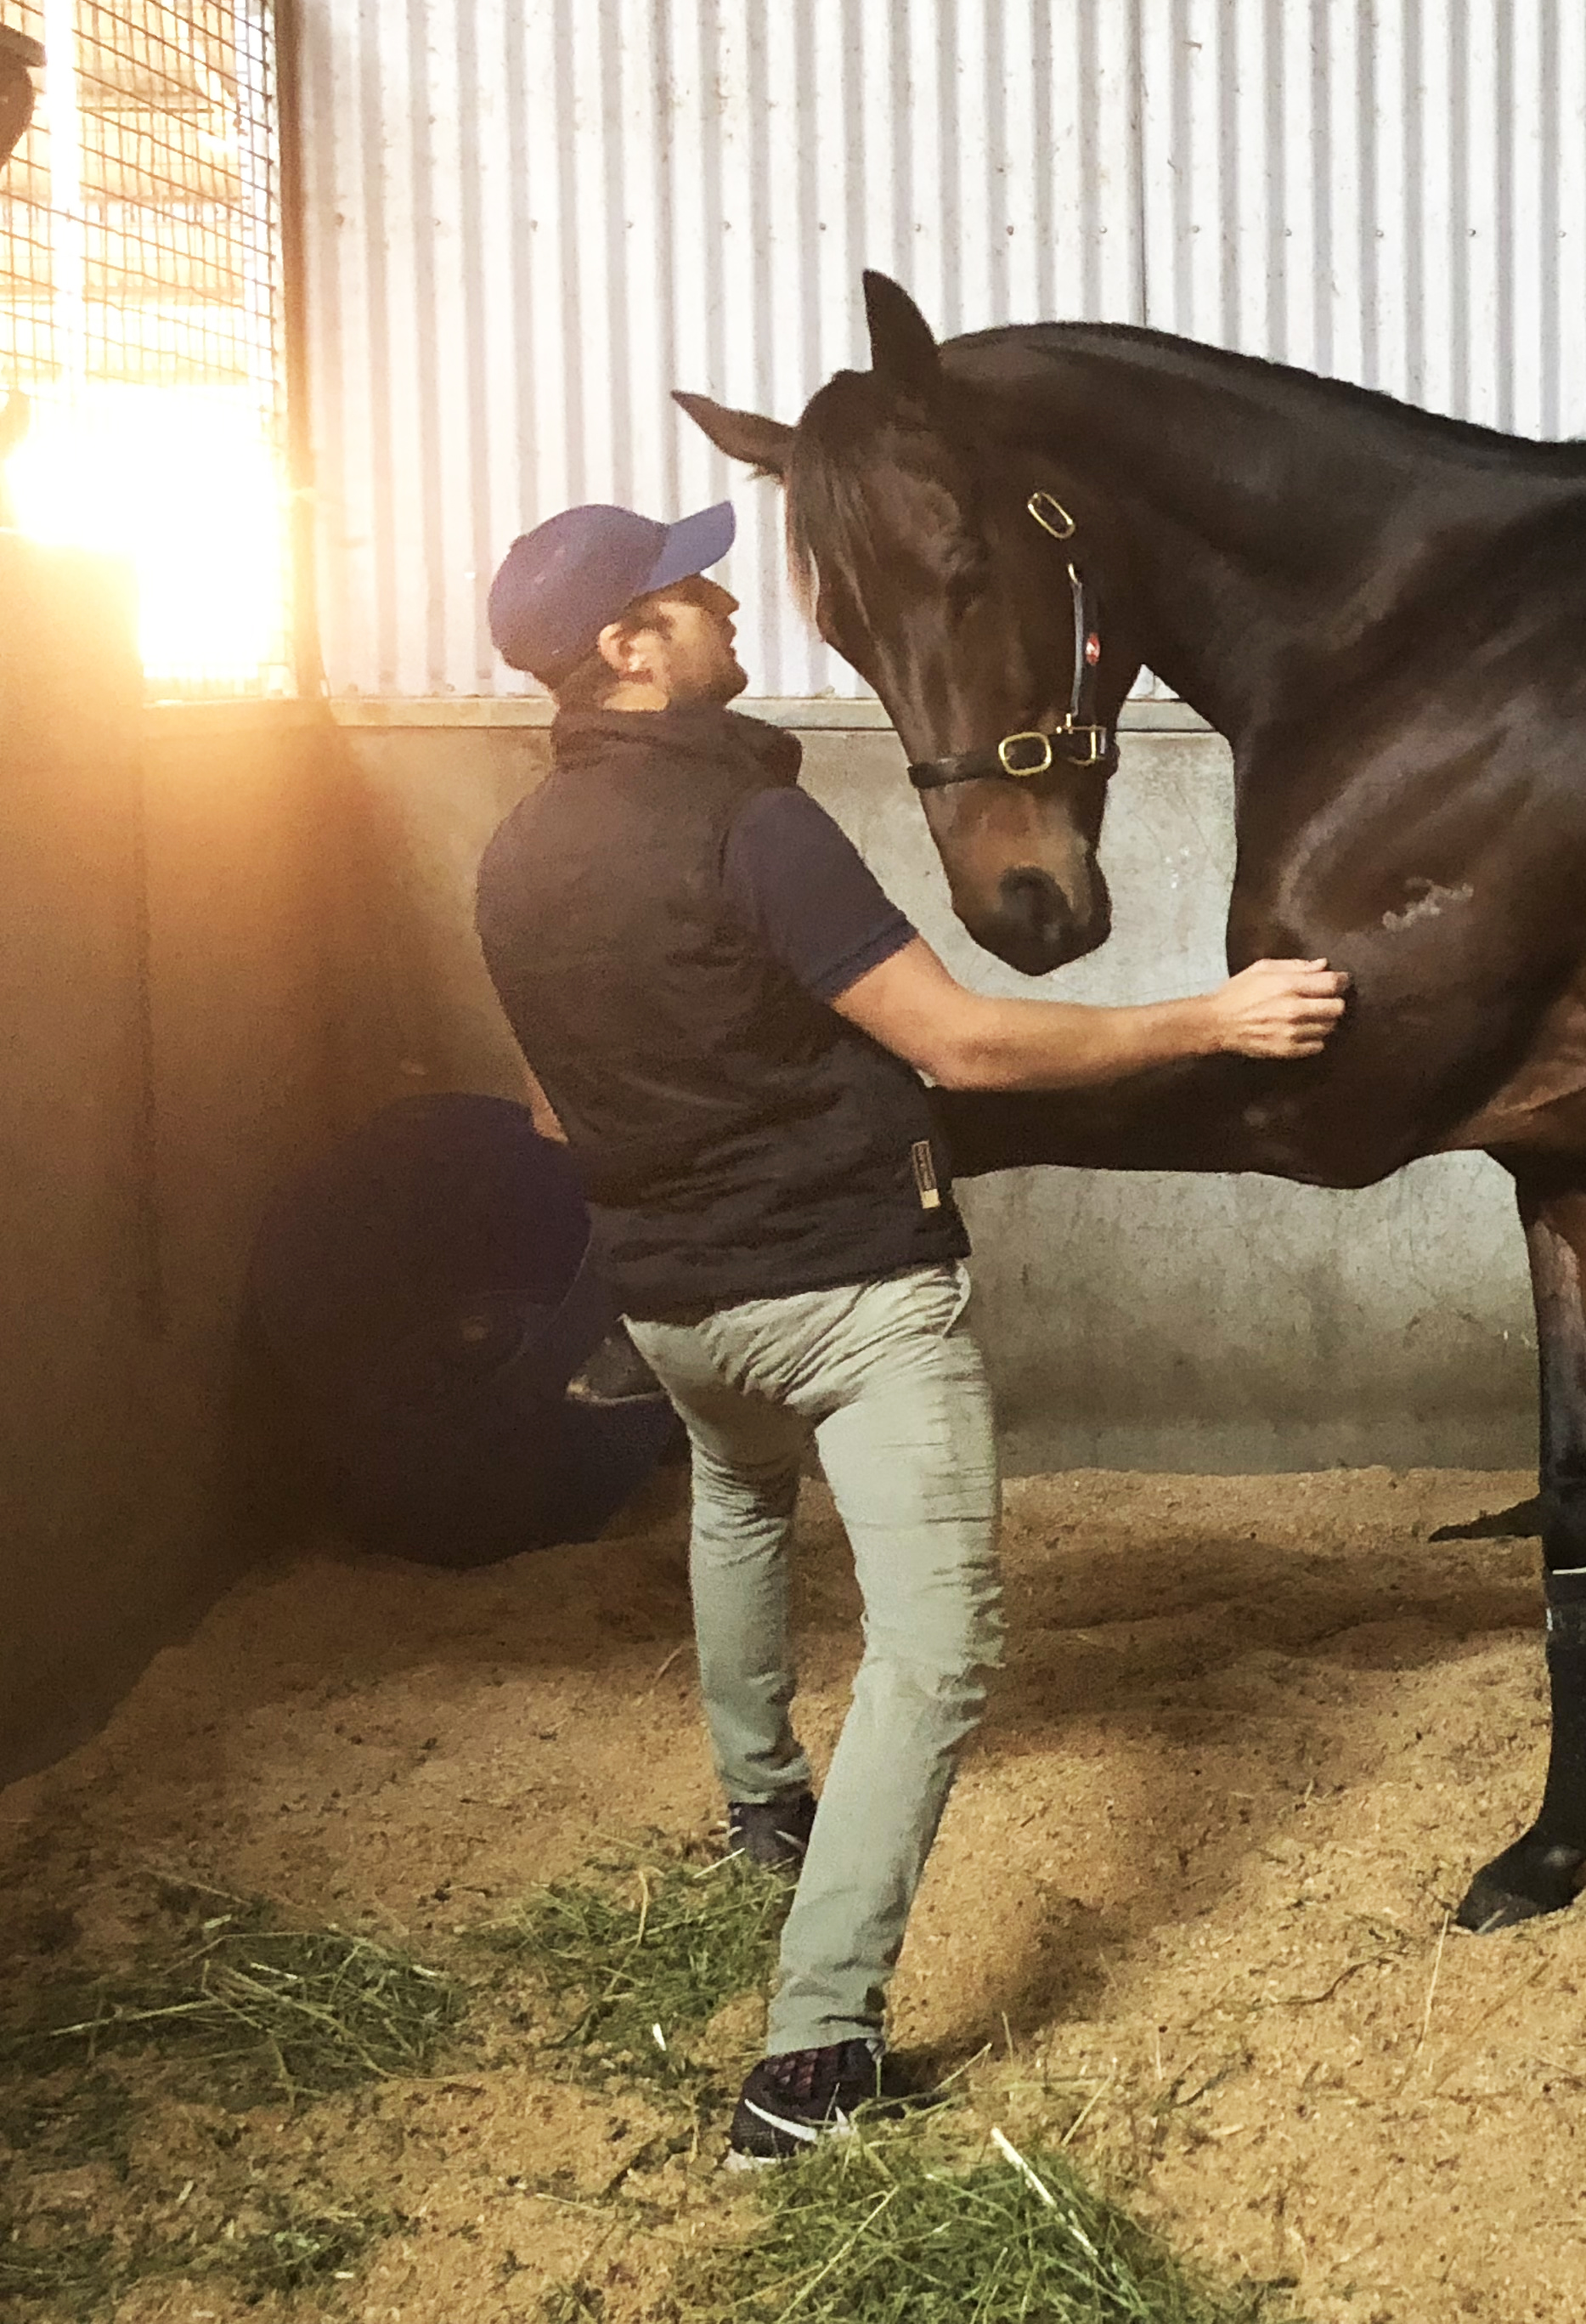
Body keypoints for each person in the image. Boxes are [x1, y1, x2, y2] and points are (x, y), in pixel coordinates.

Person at [471, 498, 1346, 2166]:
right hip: (850, 1303)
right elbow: (958, 1047)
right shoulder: (754, 833)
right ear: (633, 649)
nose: (726, 601)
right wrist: (1216, 1018)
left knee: (738, 1502)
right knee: (937, 1649)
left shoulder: (513, 856)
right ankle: (814, 2059)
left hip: (671, 1309)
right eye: (690, 588)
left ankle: (757, 1805)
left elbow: (546, 1108)